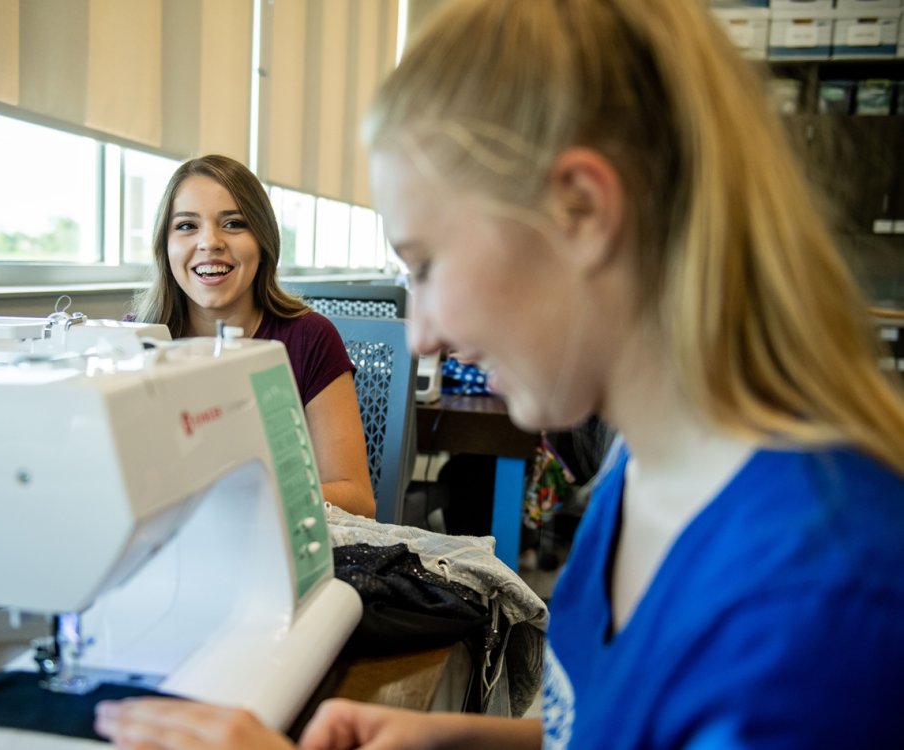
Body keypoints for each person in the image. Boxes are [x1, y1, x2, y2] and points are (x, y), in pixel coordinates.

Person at [96, 1, 904, 747]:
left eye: (427, 264)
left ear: (580, 212)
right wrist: (454, 737)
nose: (423, 335)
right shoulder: (642, 477)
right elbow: (604, 727)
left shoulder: (813, 611)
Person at [129, 154, 375, 519]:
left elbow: (358, 500)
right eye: (186, 226)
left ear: (262, 240)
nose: (210, 242)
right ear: (165, 246)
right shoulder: (133, 339)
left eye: (233, 223)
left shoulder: (312, 338)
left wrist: (239, 499)